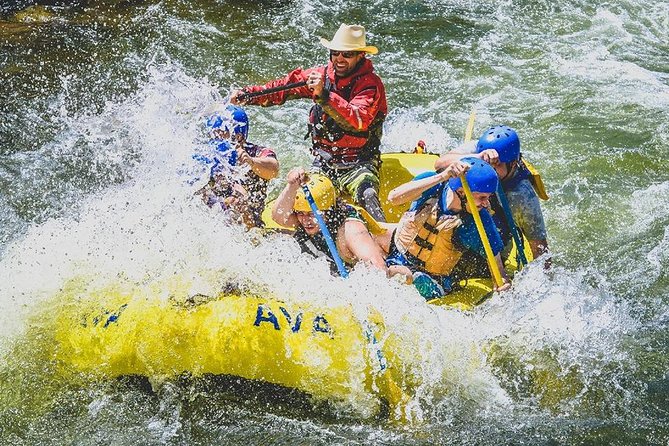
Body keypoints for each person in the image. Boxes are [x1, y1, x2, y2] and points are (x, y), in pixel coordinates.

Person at [231, 23, 388, 222]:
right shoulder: (322, 76)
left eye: (347, 55)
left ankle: (385, 242)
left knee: (367, 195)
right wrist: (248, 95)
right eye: (335, 53)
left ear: (360, 56)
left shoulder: (370, 85)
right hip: (324, 163)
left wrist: (323, 94)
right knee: (303, 202)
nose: (339, 59)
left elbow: (357, 120)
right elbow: (284, 88)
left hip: (359, 163)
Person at [382, 157, 511, 300]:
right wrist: (443, 176)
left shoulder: (479, 221)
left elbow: (498, 271)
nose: (486, 203)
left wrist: (503, 284)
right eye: (482, 197)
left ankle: (398, 274)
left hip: (433, 280)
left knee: (407, 276)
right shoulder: (433, 185)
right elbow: (393, 198)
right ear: (462, 192)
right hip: (397, 255)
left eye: (489, 197)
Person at [435, 125, 549, 260]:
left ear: (512, 164)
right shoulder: (481, 150)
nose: (488, 169)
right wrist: (476, 157)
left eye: (496, 165)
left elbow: (539, 246)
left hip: (493, 249)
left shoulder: (522, 196)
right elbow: (439, 164)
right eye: (488, 163)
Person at [271, 167, 388, 274]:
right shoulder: (306, 220)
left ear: (330, 211)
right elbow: (278, 217)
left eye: (312, 214)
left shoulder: (350, 230)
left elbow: (378, 269)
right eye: (301, 213)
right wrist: (291, 186)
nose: (306, 220)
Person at [196, 105, 279, 228]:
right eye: (214, 134)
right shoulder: (209, 153)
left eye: (221, 134)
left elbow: (274, 170)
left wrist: (252, 162)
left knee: (238, 201)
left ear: (239, 136)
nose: (216, 138)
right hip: (214, 215)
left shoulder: (255, 153)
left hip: (249, 219)